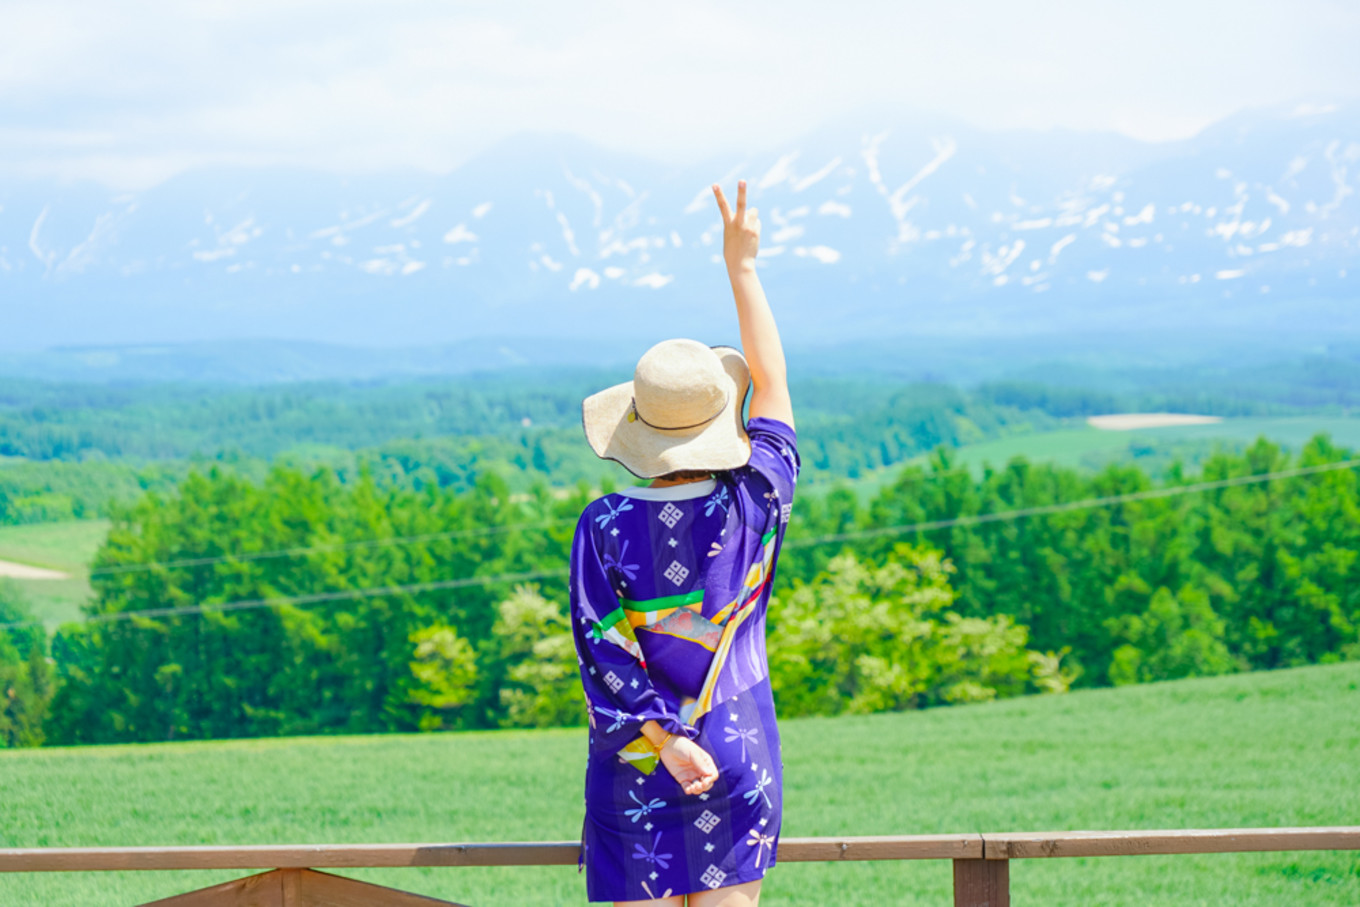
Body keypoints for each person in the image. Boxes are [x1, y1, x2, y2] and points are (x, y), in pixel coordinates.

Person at [570, 180, 798, 907]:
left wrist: (666, 739)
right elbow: (775, 386)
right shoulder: (756, 497)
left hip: (640, 765)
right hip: (737, 756)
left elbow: (603, 648)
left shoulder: (602, 526)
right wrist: (744, 269)